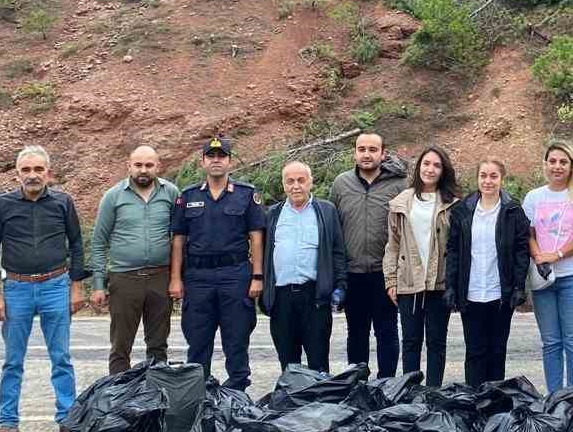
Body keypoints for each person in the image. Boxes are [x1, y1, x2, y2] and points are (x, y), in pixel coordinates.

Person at [0, 145, 87, 432]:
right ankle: (7, 424)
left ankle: (67, 422)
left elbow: (77, 243)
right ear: (17, 174)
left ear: (48, 173)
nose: (32, 175)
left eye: (38, 169)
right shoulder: (1, 205)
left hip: (56, 285)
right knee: (13, 361)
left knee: (61, 358)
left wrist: (76, 286)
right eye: (26, 170)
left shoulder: (63, 202)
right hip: (16, 289)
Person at [170, 136, 265, 391]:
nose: (216, 160)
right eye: (210, 156)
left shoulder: (246, 195)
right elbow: (178, 240)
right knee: (198, 340)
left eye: (221, 156)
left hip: (235, 274)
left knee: (236, 339)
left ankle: (237, 396)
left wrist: (258, 276)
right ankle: (198, 398)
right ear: (203, 161)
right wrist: (176, 278)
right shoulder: (187, 196)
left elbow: (256, 237)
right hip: (197, 276)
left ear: (229, 161)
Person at [89, 145, 179, 375]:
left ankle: (157, 398)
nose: (143, 170)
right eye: (138, 165)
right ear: (129, 166)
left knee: (158, 346)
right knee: (121, 346)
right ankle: (117, 399)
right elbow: (99, 242)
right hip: (124, 279)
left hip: (160, 278)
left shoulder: (171, 193)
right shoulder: (113, 197)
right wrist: (99, 284)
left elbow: (180, 238)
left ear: (158, 166)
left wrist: (179, 278)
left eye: (149, 165)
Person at [523, 139, 573, 393]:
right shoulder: (534, 197)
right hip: (544, 278)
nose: (557, 166)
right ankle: (555, 398)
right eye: (553, 161)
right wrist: (539, 257)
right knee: (551, 342)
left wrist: (555, 254)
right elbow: (528, 233)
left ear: (571, 166)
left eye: (563, 162)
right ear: (545, 165)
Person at [446, 157, 531, 387]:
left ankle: (494, 404)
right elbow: (453, 250)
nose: (488, 181)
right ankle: (474, 402)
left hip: (499, 294)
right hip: (471, 292)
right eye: (483, 175)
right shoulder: (463, 210)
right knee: (474, 352)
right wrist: (451, 286)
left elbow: (521, 252)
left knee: (497, 350)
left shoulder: (513, 210)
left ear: (502, 179)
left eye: (493, 176)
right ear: (477, 178)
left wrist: (518, 286)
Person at [329, 131, 406, 376]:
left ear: (383, 154)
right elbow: (333, 227)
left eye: (373, 150)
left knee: (387, 331)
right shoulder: (341, 183)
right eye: (362, 149)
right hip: (352, 273)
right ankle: (357, 383)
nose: (366, 154)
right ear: (355, 152)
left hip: (386, 274)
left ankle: (387, 384)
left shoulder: (399, 185)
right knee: (356, 331)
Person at [384, 146, 460, 387]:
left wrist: (455, 282)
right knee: (410, 341)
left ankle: (433, 393)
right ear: (418, 167)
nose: (431, 169)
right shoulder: (401, 203)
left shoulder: (453, 204)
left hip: (439, 284)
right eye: (426, 164)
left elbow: (458, 247)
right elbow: (392, 245)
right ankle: (410, 394)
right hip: (409, 283)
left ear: (443, 170)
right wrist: (391, 280)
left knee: (437, 343)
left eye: (437, 165)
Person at [261, 162, 347, 371]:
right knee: (289, 364)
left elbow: (337, 251)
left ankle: (320, 402)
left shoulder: (326, 211)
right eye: (290, 181)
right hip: (282, 298)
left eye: (301, 180)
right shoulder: (272, 214)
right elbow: (262, 253)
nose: (296, 186)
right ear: (283, 185)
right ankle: (293, 402)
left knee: (318, 362)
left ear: (311, 182)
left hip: (315, 298)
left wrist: (341, 285)